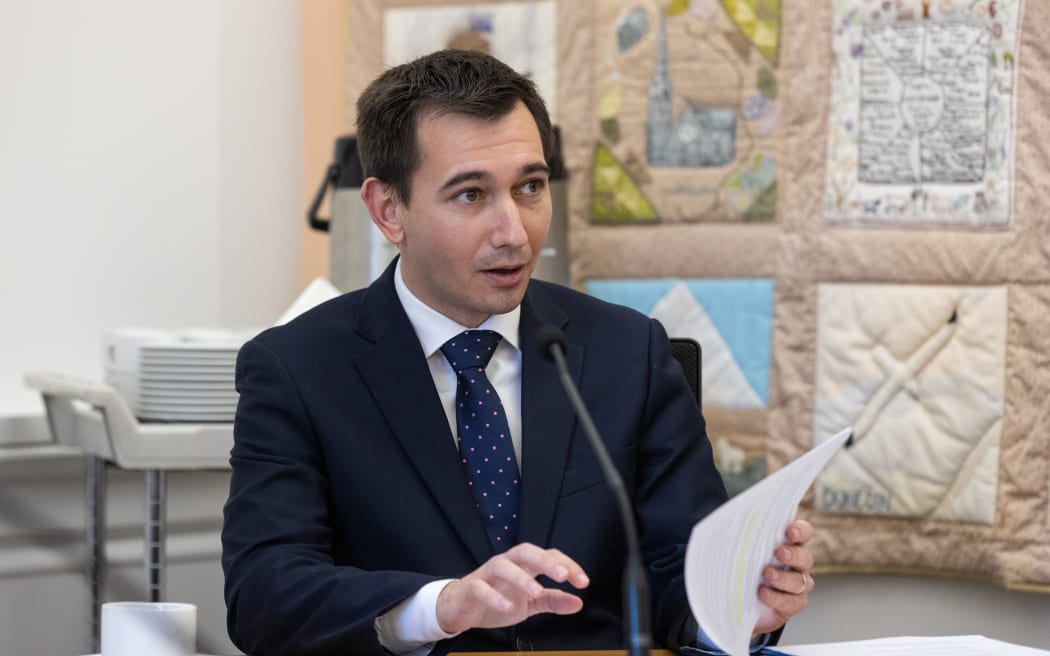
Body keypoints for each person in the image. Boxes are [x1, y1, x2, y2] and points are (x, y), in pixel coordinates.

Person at [221, 48, 813, 656]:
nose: (514, 231)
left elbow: (675, 573)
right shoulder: (296, 367)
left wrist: (740, 606)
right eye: (471, 196)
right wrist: (441, 607)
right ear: (388, 210)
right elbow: (265, 593)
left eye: (529, 187)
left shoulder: (627, 350)